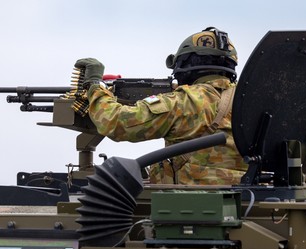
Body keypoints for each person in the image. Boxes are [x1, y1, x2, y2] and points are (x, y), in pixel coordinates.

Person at [75, 27, 247, 185]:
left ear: (184, 66)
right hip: (249, 201)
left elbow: (117, 122)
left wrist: (94, 87)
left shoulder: (184, 102)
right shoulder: (249, 102)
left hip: (186, 207)